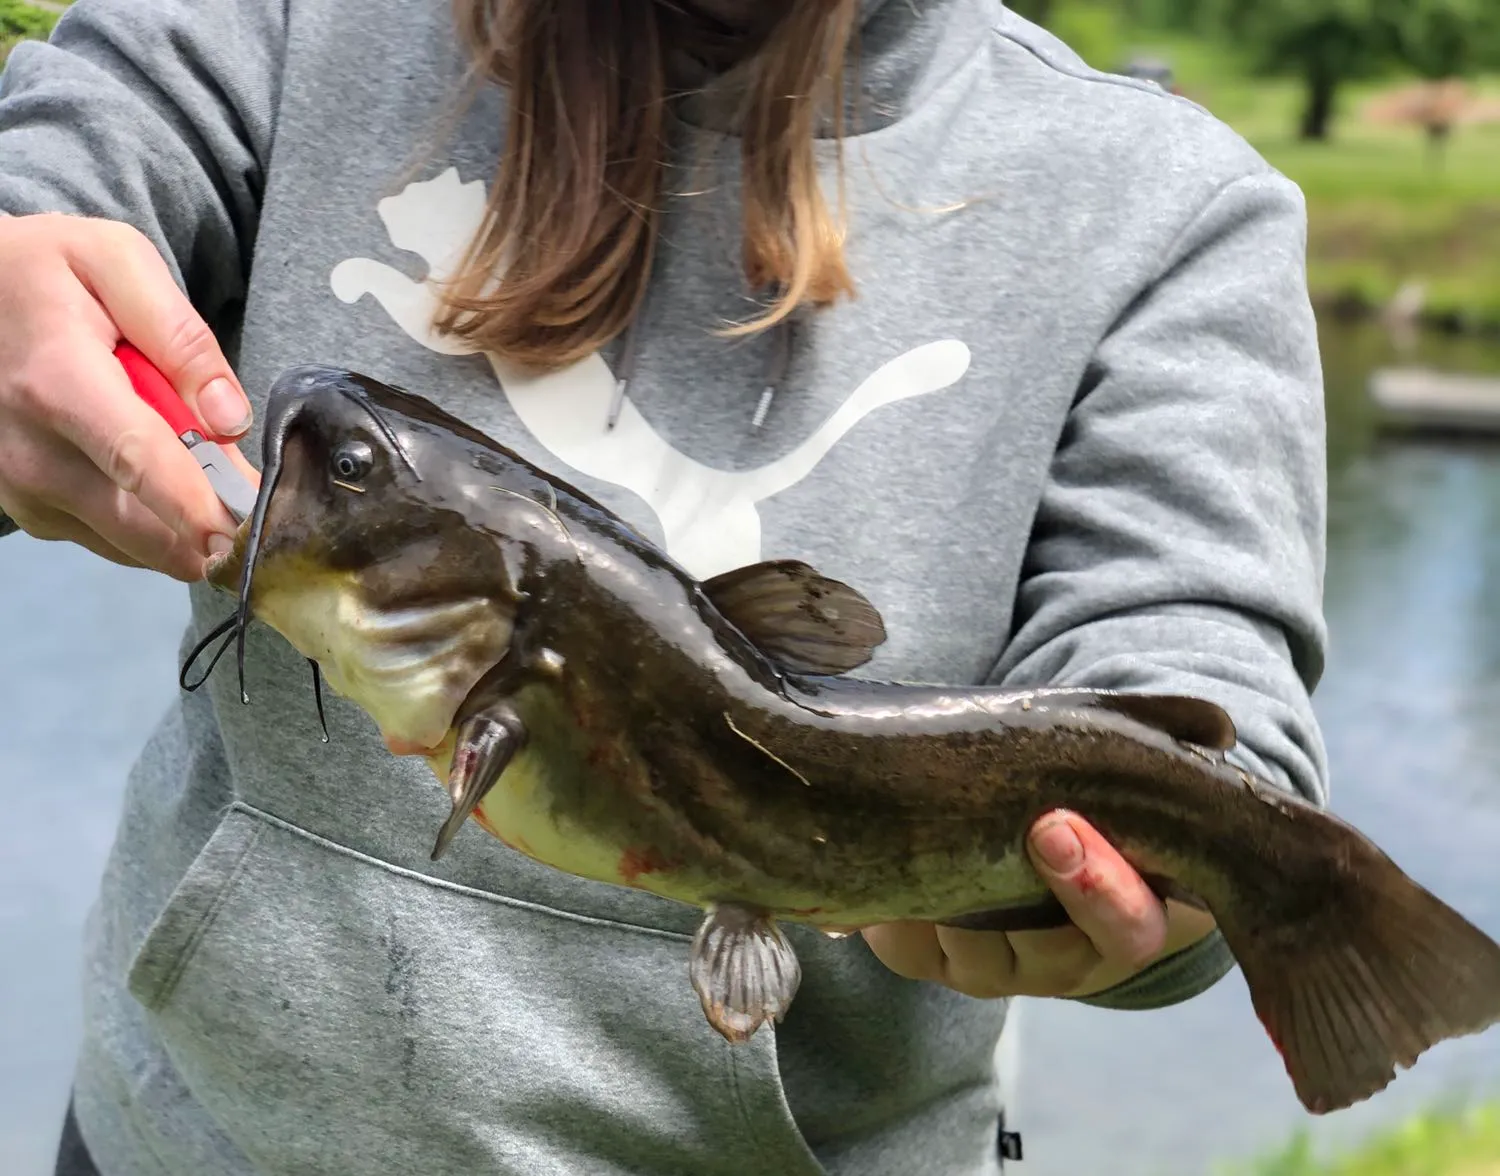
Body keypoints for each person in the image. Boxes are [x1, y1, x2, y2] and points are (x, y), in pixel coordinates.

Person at [0, 0, 1329, 1172]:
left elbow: (1208, 692)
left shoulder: (1173, 208)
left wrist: (1168, 905)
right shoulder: (277, 20)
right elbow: (53, 176)